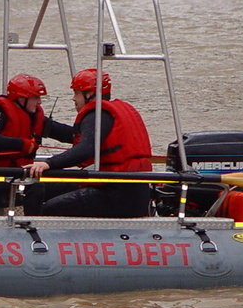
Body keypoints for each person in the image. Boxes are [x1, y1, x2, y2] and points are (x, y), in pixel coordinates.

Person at [24, 68, 153, 218]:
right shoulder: (108, 113)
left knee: (48, 209)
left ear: (89, 94)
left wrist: (48, 164)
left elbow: (85, 148)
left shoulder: (97, 114)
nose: (73, 99)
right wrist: (45, 125)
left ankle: (32, 235)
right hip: (134, 192)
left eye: (76, 93)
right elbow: (76, 136)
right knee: (44, 188)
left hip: (116, 195)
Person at [0, 73, 74, 208]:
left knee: (72, 184)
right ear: (21, 98)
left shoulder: (33, 116)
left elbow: (65, 133)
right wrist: (22, 144)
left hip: (19, 177)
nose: (40, 102)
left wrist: (90, 136)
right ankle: (31, 224)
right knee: (36, 189)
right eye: (36, 98)